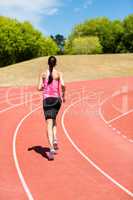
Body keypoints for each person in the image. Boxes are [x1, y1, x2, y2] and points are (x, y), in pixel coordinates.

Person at [38, 56, 66, 160]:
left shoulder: (43, 74)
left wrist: (45, 87)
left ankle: (51, 149)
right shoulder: (59, 74)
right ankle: (55, 140)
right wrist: (63, 95)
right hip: (57, 100)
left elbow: (39, 88)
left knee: (49, 124)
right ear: (55, 64)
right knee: (54, 120)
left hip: (47, 101)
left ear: (48, 63)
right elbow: (63, 85)